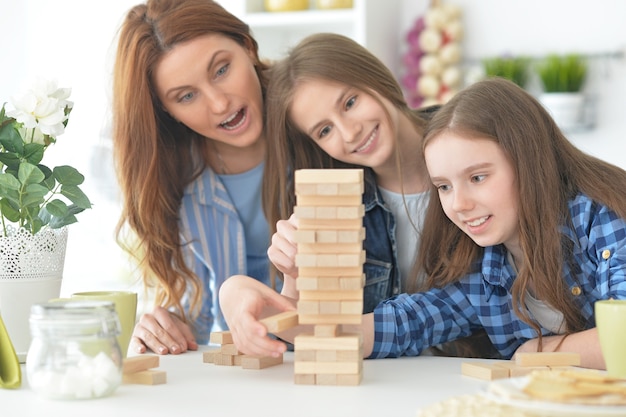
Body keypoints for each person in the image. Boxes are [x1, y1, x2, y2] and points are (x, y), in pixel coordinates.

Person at [221, 77, 626, 370]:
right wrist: (242, 295)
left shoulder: (598, 218)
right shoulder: (485, 277)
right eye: (444, 187)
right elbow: (380, 330)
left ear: (529, 161)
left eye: (478, 177)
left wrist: (533, 353)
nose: (460, 204)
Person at [220, 33, 499, 359]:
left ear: (373, 76)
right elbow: (314, 338)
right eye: (325, 130)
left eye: (350, 102)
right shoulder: (337, 205)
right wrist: (291, 278)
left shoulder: (474, 144)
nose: (350, 132)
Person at [111, 0, 275, 355]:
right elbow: (195, 315)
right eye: (186, 96)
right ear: (166, 111)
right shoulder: (173, 176)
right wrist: (162, 329)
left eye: (221, 70)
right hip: (247, 374)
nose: (219, 104)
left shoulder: (317, 121)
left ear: (247, 47)